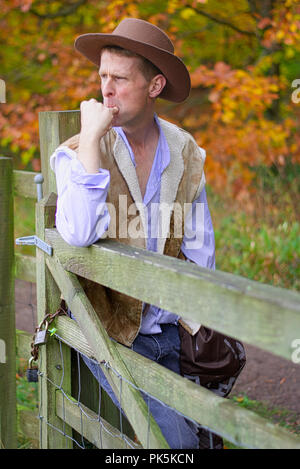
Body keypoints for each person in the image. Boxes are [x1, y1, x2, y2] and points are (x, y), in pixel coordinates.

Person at [50, 18, 217, 449]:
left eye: (120, 79)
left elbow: (201, 254)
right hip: (111, 334)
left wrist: (198, 332)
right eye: (102, 76)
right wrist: (90, 142)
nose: (106, 89)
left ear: (155, 86)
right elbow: (79, 233)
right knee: (176, 444)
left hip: (174, 338)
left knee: (207, 435)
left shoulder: (185, 151)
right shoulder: (75, 154)